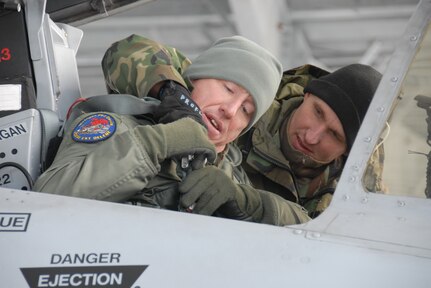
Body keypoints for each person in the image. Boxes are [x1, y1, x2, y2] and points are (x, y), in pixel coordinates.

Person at [34, 34, 311, 226]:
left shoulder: (230, 177)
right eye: (228, 89)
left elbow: (308, 229)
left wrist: (248, 202)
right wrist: (158, 143)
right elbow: (45, 202)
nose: (231, 109)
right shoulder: (122, 127)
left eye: (246, 111)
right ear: (193, 80)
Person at [228, 63, 384, 218]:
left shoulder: (357, 197)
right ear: (307, 95)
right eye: (318, 112)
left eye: (334, 134)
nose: (311, 138)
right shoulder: (238, 120)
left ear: (348, 150)